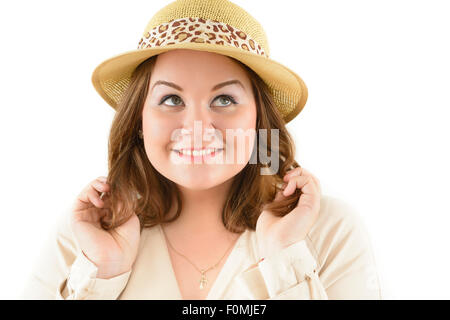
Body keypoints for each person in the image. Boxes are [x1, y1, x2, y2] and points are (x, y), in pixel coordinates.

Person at [20, 0, 382, 300]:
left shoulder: (328, 231)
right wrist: (101, 276)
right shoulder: (86, 235)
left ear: (259, 121)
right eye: (171, 98)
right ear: (139, 122)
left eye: (224, 98)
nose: (198, 127)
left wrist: (285, 261)